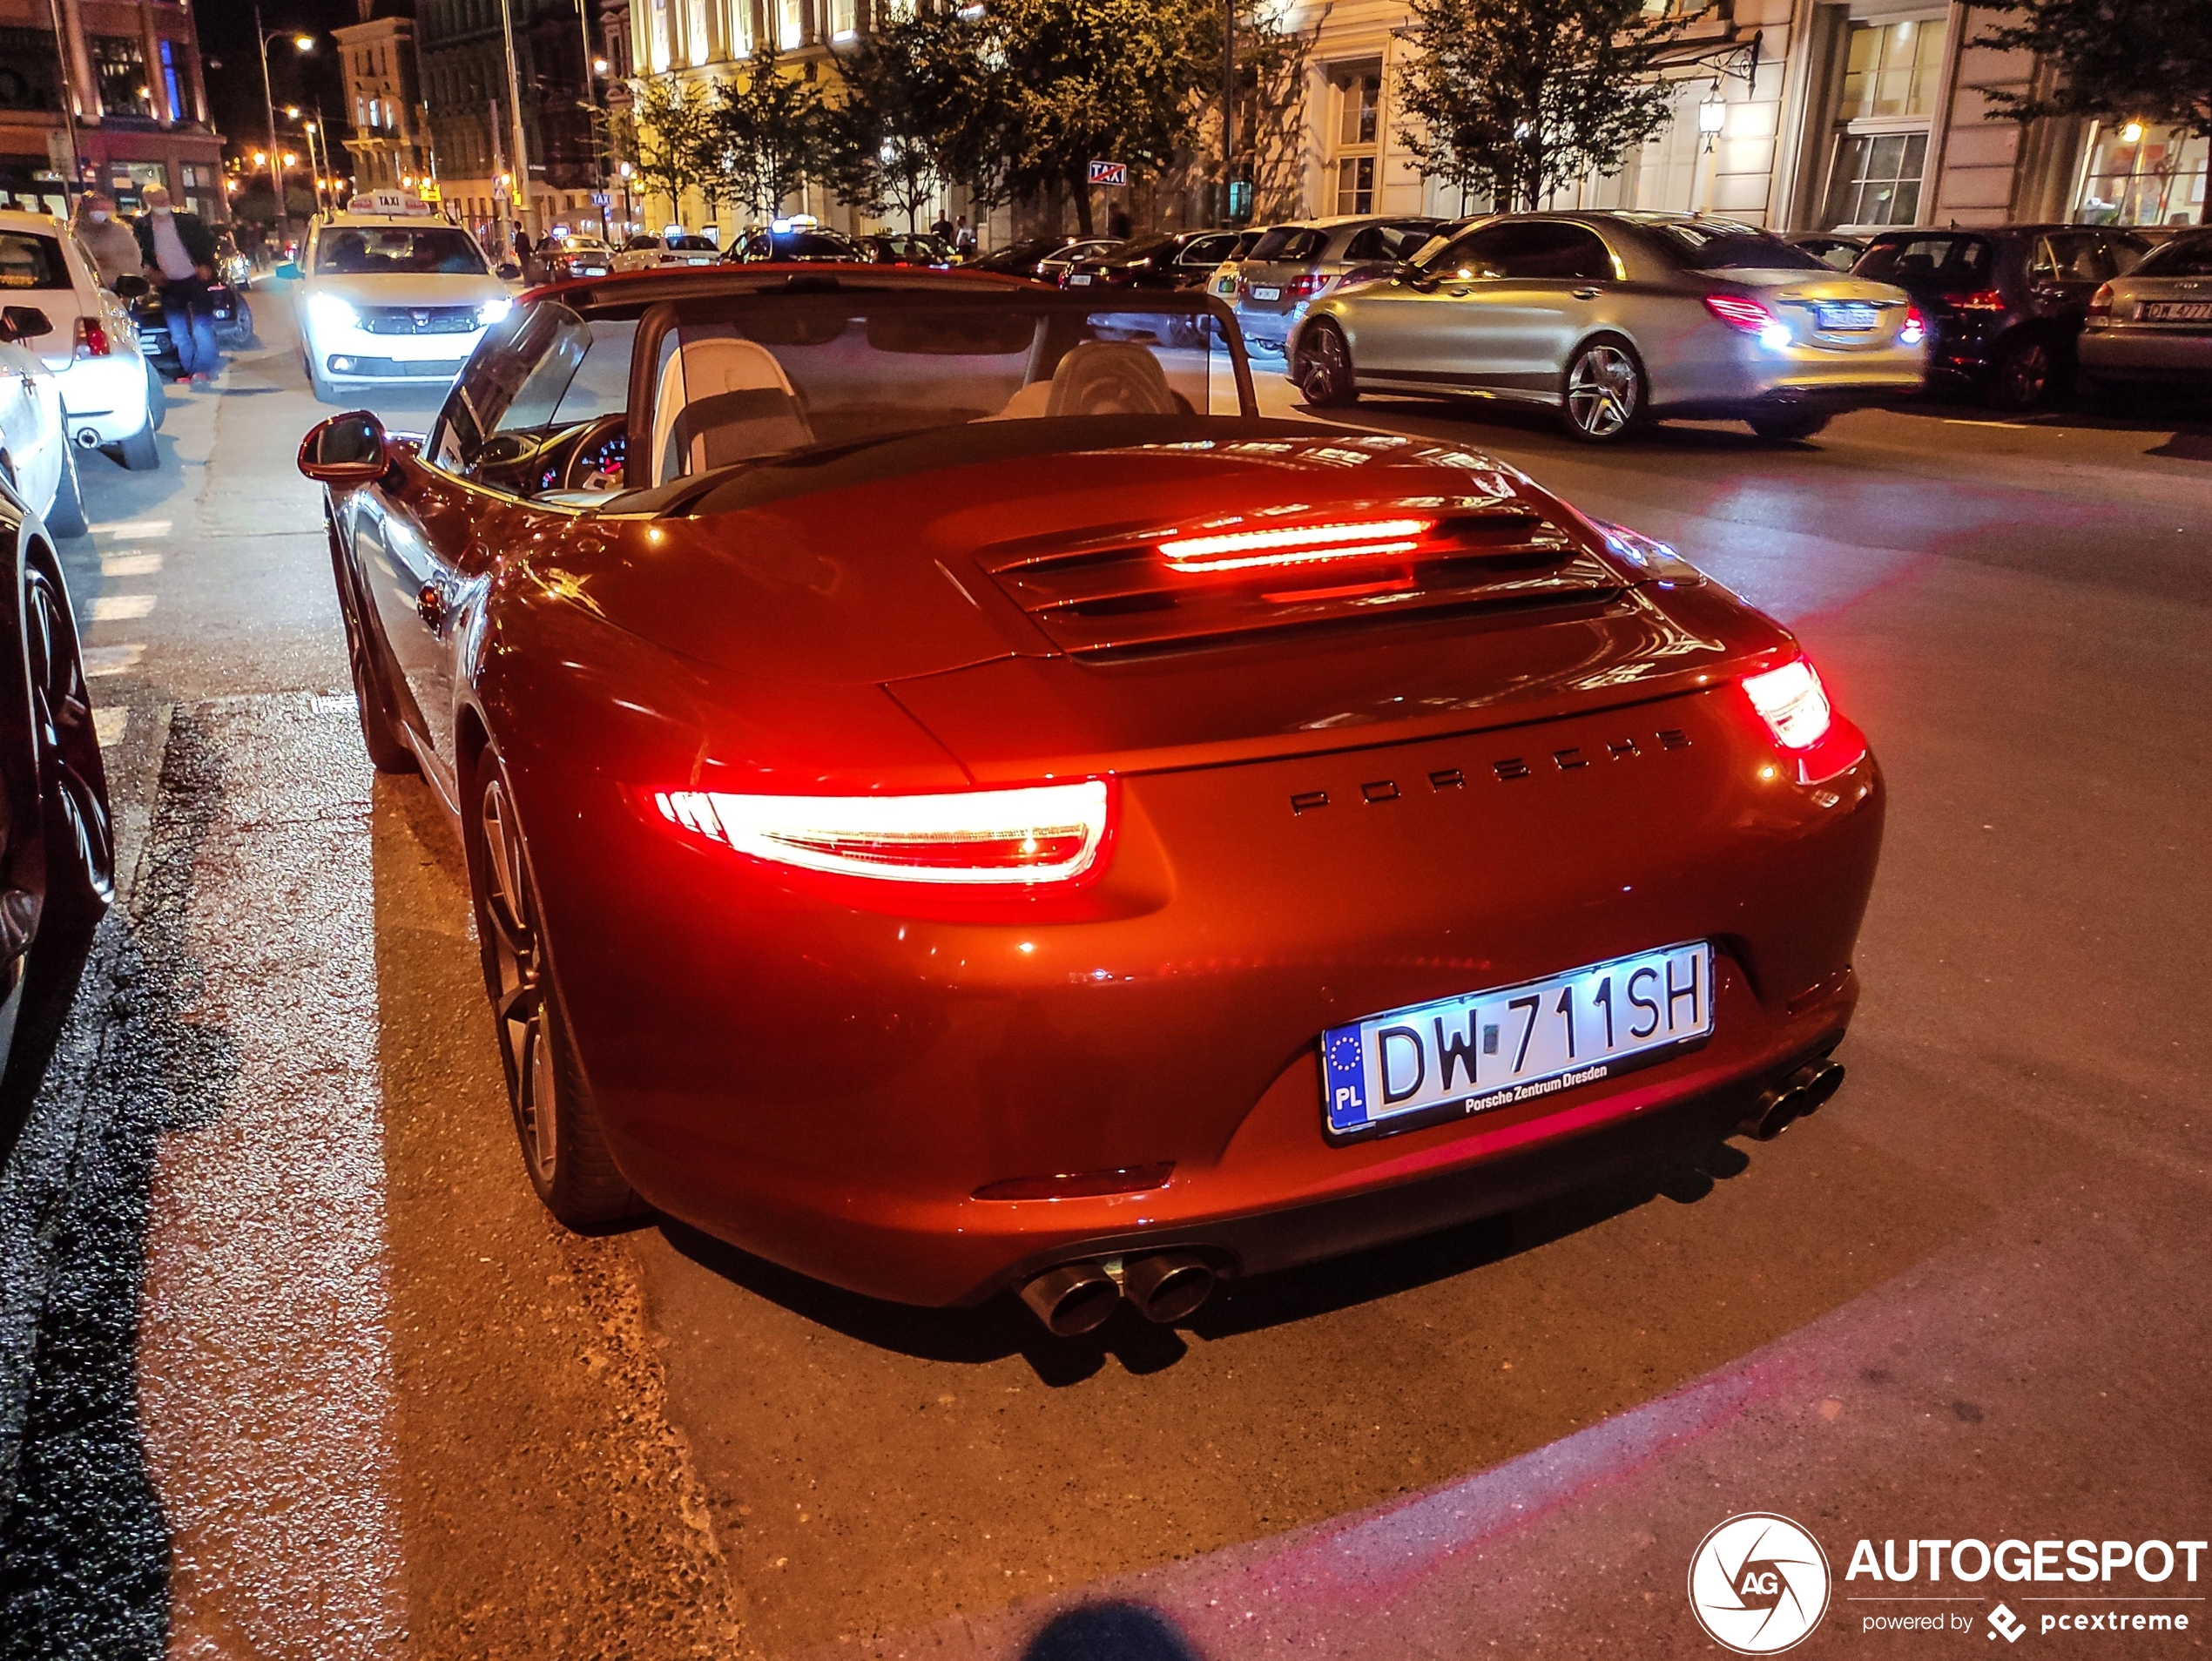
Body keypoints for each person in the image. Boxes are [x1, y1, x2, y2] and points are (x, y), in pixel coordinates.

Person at [132, 186, 221, 383]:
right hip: (169, 284)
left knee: (201, 327)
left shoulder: (187, 221)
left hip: (195, 279)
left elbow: (208, 242)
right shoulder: (143, 227)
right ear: (149, 202)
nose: (164, 204)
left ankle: (204, 369)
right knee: (178, 331)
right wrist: (151, 272)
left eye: (165, 200)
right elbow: (138, 254)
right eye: (158, 201)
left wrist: (205, 265)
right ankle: (190, 370)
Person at [73, 193, 142, 289]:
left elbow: (135, 255)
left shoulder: (120, 231)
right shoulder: (75, 234)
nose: (102, 213)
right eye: (98, 209)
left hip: (124, 286)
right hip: (92, 287)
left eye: (105, 210)